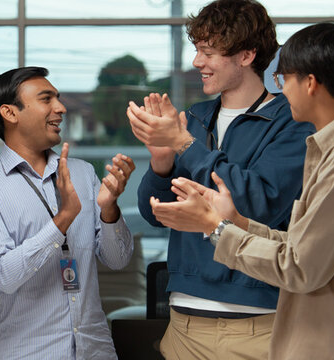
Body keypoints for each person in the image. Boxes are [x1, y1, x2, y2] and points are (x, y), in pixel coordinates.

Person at [151, 22, 334, 359]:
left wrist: (215, 227)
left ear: (310, 83)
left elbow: (299, 266)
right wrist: (236, 221)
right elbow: (303, 247)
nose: (281, 90)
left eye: (283, 79)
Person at [125, 0, 315, 358]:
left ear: (246, 55)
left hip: (258, 322)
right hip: (184, 319)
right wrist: (162, 160)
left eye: (208, 52)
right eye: (197, 50)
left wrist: (184, 145)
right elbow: (155, 214)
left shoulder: (292, 123)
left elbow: (258, 202)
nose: (197, 62)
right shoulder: (195, 118)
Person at [0, 66, 135, 359]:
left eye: (58, 98)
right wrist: (63, 218)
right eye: (46, 99)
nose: (61, 108)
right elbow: (4, 275)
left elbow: (118, 259)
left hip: (95, 350)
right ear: (10, 113)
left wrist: (109, 208)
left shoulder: (83, 173)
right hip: (27, 352)